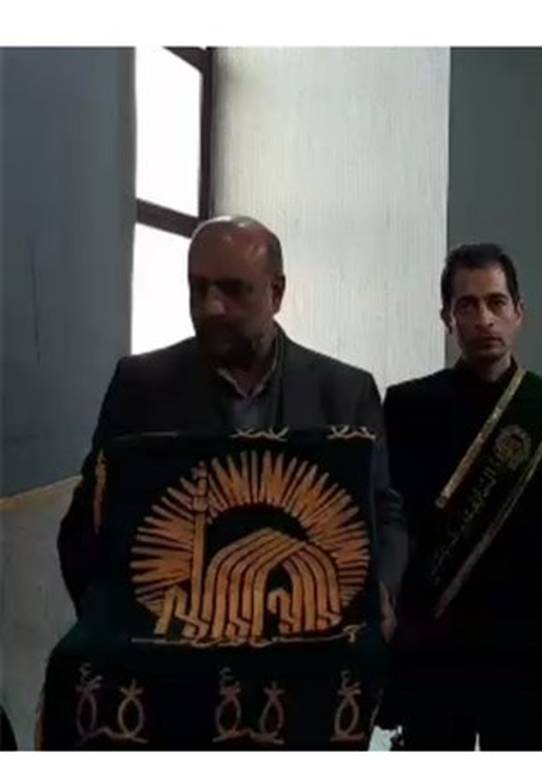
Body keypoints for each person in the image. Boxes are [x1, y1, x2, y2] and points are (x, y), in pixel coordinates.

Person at [57, 215, 407, 627]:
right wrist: (109, 623)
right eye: (198, 288)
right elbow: (88, 521)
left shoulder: (345, 393)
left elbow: (382, 513)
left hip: (307, 642)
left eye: (232, 290)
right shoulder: (141, 387)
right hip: (173, 644)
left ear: (277, 292)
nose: (211, 307)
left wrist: (381, 593)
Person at [382, 243, 542, 750]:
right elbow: (391, 526)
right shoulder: (406, 407)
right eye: (467, 305)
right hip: (432, 648)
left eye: (496, 303)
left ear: (519, 312)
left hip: (522, 651)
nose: (484, 319)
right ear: (447, 318)